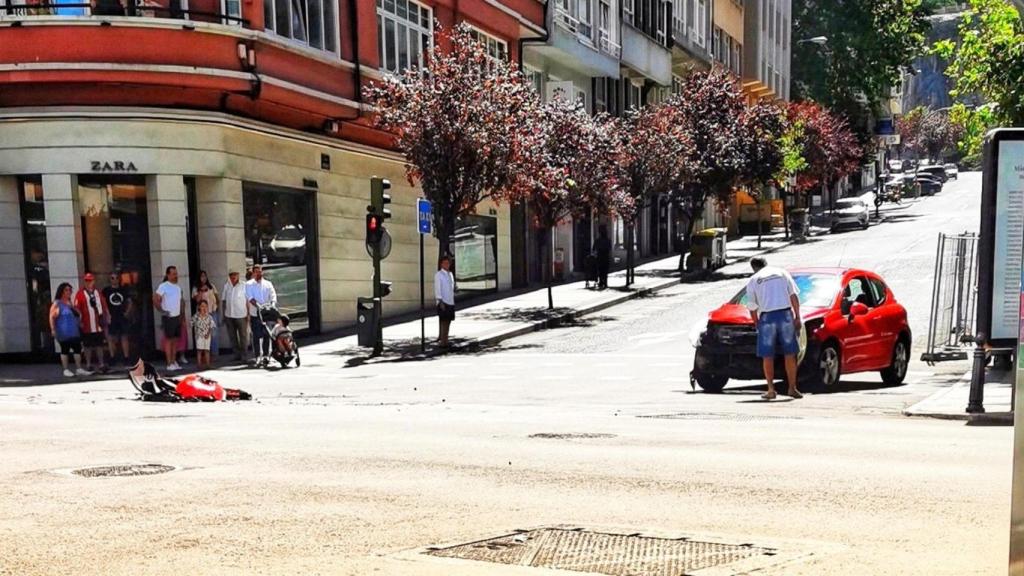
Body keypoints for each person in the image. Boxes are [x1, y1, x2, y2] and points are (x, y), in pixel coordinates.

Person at [746, 257, 803, 400]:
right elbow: (794, 296)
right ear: (766, 264)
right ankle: (792, 388)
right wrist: (797, 317)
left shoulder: (754, 279)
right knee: (790, 353)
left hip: (767, 317)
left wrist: (756, 322)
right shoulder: (782, 273)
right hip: (785, 315)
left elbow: (752, 306)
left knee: (767, 355)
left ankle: (771, 389)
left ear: (754, 268)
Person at [49, 283, 91, 378]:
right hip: (63, 331)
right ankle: (65, 369)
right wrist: (53, 329)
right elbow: (52, 316)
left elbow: (76, 315)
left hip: (74, 331)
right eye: (67, 290)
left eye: (70, 290)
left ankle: (79, 368)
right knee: (65, 349)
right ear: (62, 291)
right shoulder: (57, 303)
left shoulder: (70, 303)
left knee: (77, 349)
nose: (69, 292)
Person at [74, 272, 108, 374]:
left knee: (99, 344)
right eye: (87, 281)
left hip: (98, 324)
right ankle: (88, 364)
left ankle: (101, 364)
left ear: (94, 281)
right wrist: (79, 321)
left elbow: (104, 305)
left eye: (91, 280)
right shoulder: (80, 293)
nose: (89, 282)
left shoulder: (98, 292)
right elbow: (76, 308)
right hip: (86, 324)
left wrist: (107, 316)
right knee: (87, 346)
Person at [153, 266, 185, 371]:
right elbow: (156, 298)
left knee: (176, 340)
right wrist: (162, 310)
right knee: (169, 340)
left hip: (177, 316)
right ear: (168, 275)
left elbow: (181, 302)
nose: (176, 275)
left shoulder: (178, 288)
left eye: (176, 273)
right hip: (169, 317)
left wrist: (181, 315)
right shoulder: (164, 286)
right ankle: (169, 362)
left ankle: (174, 360)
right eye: (173, 274)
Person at [246, 265, 277, 366]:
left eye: (260, 271)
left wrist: (272, 304)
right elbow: (250, 297)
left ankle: (265, 356)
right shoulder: (249, 284)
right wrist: (259, 306)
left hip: (267, 313)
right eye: (256, 272)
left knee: (266, 334)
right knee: (256, 335)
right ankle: (257, 357)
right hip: (255, 313)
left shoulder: (268, 284)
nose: (258, 273)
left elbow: (273, 295)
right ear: (253, 273)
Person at [102, 271, 133, 367]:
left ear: (119, 279)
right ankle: (112, 357)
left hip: (122, 316)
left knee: (124, 337)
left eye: (116, 278)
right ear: (109, 279)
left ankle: (126, 357)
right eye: (112, 278)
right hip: (111, 316)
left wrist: (127, 312)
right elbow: (103, 303)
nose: (114, 280)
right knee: (111, 338)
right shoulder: (106, 290)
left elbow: (130, 302)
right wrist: (106, 314)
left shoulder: (123, 290)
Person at [221, 269, 250, 361]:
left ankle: (244, 355)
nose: (233, 277)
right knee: (232, 337)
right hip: (229, 315)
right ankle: (236, 354)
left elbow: (248, 301)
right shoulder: (227, 286)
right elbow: (224, 301)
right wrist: (223, 314)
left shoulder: (244, 285)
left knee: (243, 336)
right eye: (231, 275)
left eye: (235, 275)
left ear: (238, 275)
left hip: (241, 315)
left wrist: (248, 314)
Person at [434, 254, 455, 348]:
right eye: (445, 263)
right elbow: (437, 288)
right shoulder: (439, 275)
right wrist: (440, 300)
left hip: (450, 301)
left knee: (448, 321)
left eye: (448, 263)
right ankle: (443, 341)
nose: (446, 265)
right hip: (443, 301)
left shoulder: (450, 274)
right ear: (441, 264)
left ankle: (446, 340)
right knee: (443, 321)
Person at [191, 300, 216, 370]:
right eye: (202, 306)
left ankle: (208, 364)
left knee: (207, 350)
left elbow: (212, 326)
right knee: (199, 350)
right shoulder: (196, 316)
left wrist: (208, 333)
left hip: (207, 335)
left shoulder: (209, 316)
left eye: (205, 306)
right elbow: (191, 323)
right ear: (199, 307)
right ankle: (199, 364)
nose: (204, 308)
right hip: (199, 335)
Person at [592, 225, 612, 290]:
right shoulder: (608, 240)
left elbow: (594, 248)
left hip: (600, 257)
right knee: (605, 271)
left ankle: (601, 282)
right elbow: (609, 248)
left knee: (600, 270)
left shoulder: (598, 240)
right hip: (606, 257)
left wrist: (595, 253)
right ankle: (605, 283)